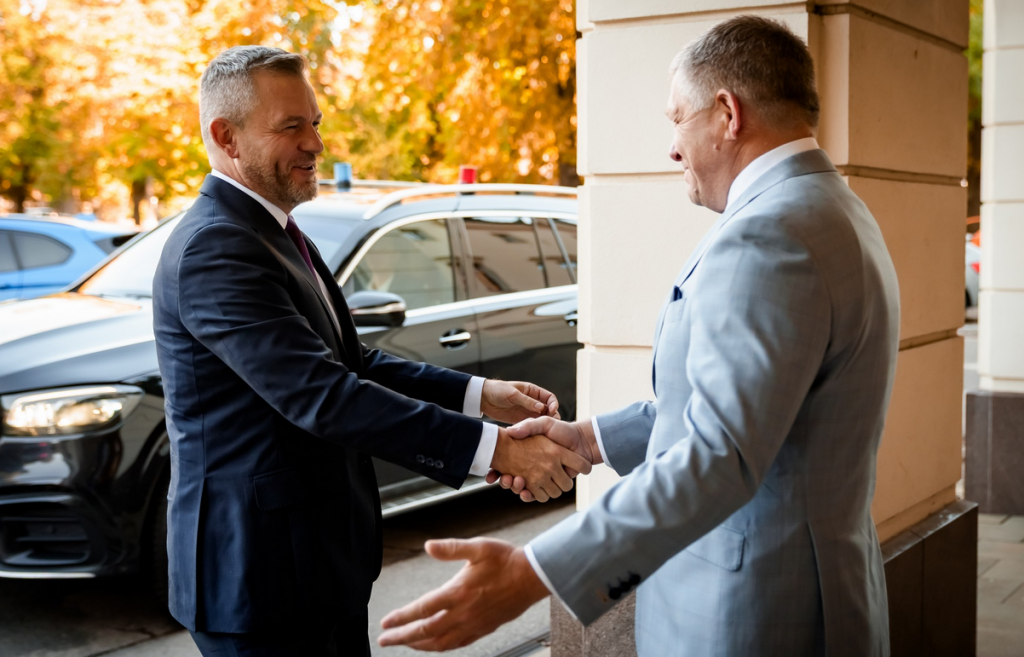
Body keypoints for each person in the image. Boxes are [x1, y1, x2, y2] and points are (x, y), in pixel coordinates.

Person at [378, 15, 899, 656]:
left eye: (677, 119)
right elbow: (744, 413)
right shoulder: (833, 207)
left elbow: (721, 454)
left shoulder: (768, 237)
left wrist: (535, 573)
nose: (673, 149)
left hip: (754, 612)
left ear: (727, 114)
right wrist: (588, 440)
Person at [151, 46, 590, 657]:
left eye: (316, 122)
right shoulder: (215, 248)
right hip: (259, 580)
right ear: (226, 136)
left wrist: (481, 395)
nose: (315, 143)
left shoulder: (274, 230)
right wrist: (495, 450)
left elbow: (352, 362)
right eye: (291, 126)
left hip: (318, 564)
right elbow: (322, 396)